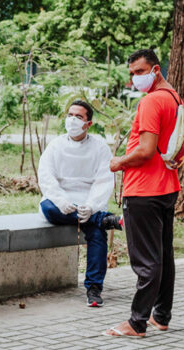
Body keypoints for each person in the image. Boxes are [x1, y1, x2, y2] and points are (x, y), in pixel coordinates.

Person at [106, 49, 181, 337]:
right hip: (167, 186)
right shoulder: (176, 99)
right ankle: (160, 316)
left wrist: (118, 163)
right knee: (163, 256)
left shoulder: (152, 101)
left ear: (156, 69)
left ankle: (137, 323)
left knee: (145, 260)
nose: (135, 78)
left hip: (144, 191)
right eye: (132, 74)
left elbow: (146, 151)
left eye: (140, 72)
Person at [38, 100, 122, 308]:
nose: (72, 120)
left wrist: (92, 206)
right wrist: (60, 200)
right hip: (61, 203)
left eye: (78, 117)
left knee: (96, 234)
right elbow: (46, 177)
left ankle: (94, 289)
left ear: (88, 124)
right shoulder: (56, 145)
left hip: (87, 202)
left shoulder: (100, 148)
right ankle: (103, 219)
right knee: (48, 208)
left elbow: (104, 180)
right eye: (70, 115)